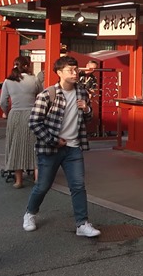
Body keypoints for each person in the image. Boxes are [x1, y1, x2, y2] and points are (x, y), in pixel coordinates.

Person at [22, 56, 101, 238]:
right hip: (50, 148)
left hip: (74, 147)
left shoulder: (82, 93)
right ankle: (30, 213)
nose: (75, 73)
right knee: (43, 185)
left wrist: (87, 109)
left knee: (78, 186)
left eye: (76, 69)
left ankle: (82, 224)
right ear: (59, 73)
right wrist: (53, 140)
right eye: (70, 70)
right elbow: (34, 122)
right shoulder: (47, 95)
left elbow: (87, 120)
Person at [0, 56, 42, 188]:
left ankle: (18, 181)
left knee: (16, 146)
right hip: (32, 114)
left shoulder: (8, 81)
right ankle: (37, 178)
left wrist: (6, 111)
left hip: (15, 114)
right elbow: (41, 96)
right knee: (34, 145)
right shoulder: (34, 79)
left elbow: (3, 101)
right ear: (26, 66)